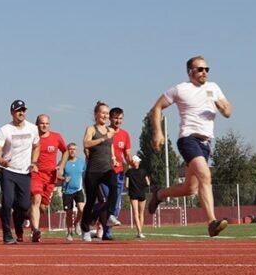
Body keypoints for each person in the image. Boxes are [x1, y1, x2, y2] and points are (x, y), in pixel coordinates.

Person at [147, 56, 233, 237]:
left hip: (206, 143)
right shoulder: (180, 89)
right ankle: (212, 222)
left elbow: (228, 111)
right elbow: (156, 108)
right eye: (200, 69)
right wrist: (158, 132)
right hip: (188, 139)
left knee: (190, 189)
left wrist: (224, 108)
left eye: (207, 69)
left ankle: (159, 194)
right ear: (190, 72)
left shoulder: (213, 88)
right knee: (205, 174)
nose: (204, 73)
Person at [0, 100, 40, 245]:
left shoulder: (33, 128)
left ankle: (18, 229)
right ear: (12, 112)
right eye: (19, 110)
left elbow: (37, 146)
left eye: (24, 110)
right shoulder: (5, 130)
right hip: (8, 171)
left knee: (24, 206)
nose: (22, 113)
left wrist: (34, 162)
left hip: (24, 172)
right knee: (7, 203)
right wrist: (1, 161)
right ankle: (7, 234)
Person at [80, 101, 120, 242]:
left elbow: (110, 146)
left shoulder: (110, 131)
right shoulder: (91, 129)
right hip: (93, 170)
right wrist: (103, 138)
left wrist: (114, 158)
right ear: (96, 114)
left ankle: (109, 215)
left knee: (114, 186)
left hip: (107, 169)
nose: (105, 115)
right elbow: (86, 143)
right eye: (102, 112)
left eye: (107, 113)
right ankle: (85, 228)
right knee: (90, 201)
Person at [29, 114, 68, 243]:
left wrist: (61, 166)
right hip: (36, 174)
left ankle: (30, 215)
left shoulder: (56, 137)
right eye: (41, 123)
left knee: (43, 207)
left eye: (46, 123)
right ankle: (35, 230)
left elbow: (66, 151)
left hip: (51, 176)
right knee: (36, 198)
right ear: (37, 125)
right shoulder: (32, 138)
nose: (44, 126)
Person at [98, 107, 131, 240]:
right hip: (105, 172)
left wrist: (131, 161)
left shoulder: (125, 135)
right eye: (116, 118)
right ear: (110, 118)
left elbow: (127, 154)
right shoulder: (104, 132)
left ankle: (107, 232)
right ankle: (93, 213)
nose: (118, 121)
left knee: (116, 206)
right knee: (108, 201)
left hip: (119, 173)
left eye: (120, 118)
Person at [61, 142, 86, 241]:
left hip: (78, 190)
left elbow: (86, 173)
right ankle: (69, 232)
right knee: (69, 213)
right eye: (70, 149)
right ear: (67, 151)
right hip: (67, 191)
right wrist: (63, 178)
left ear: (77, 151)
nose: (72, 151)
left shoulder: (82, 162)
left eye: (74, 149)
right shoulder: (63, 162)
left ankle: (77, 223)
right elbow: (57, 175)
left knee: (81, 209)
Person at [125, 155, 150, 239]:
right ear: (138, 162)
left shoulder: (129, 172)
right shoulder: (143, 171)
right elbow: (148, 183)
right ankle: (140, 232)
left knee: (135, 213)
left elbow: (126, 185)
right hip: (142, 193)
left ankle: (139, 232)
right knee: (141, 213)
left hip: (133, 194)